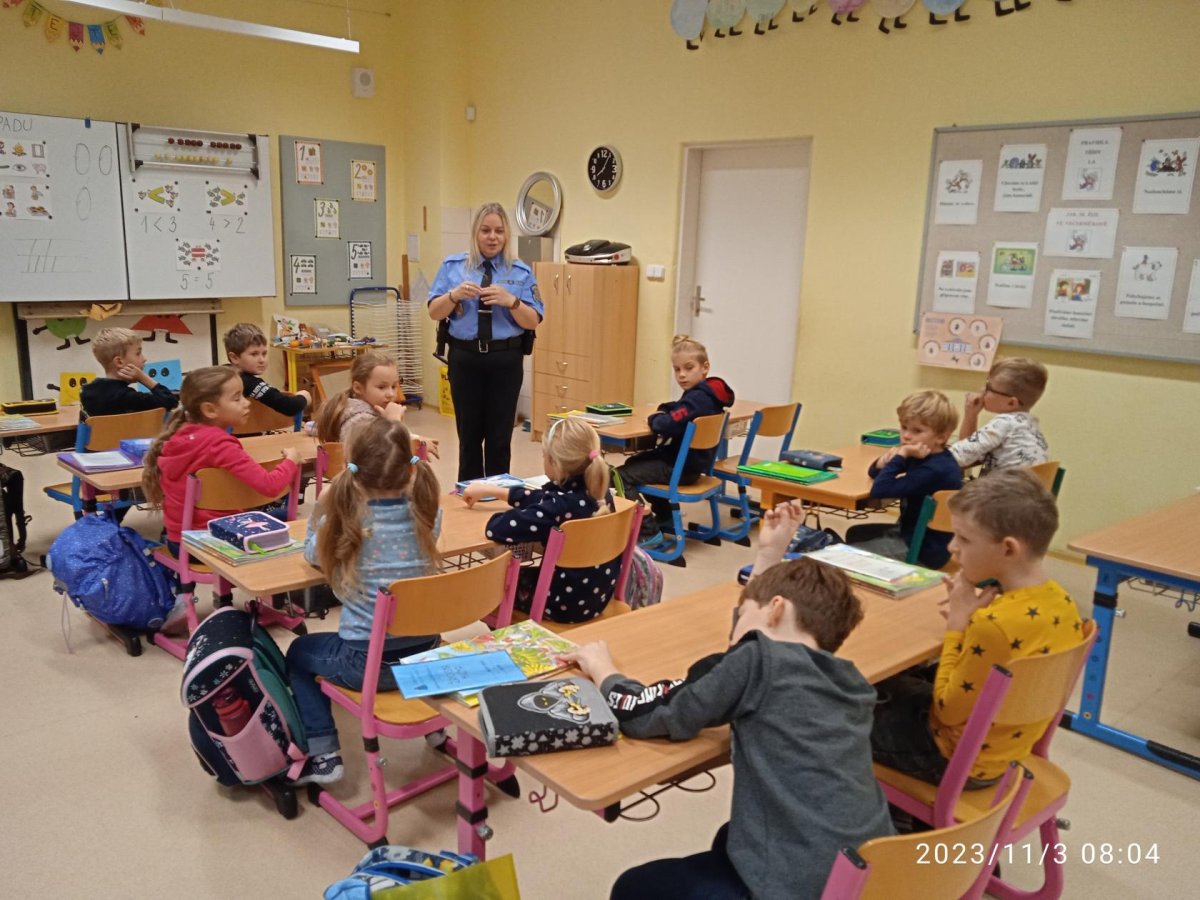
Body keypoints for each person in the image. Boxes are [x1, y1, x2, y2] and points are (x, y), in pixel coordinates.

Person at [564, 501, 893, 900]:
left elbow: (648, 715)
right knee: (728, 837)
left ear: (775, 609)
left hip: (798, 887)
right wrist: (769, 555)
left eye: (744, 611)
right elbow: (748, 643)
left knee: (634, 887)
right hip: (874, 874)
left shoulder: (757, 662)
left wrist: (602, 668)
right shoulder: (848, 680)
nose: (736, 625)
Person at [870, 469, 1083, 787]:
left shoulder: (993, 625)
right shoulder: (1063, 603)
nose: (952, 547)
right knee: (889, 683)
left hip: (953, 758)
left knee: (841, 709)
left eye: (964, 539)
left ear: (1008, 549)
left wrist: (958, 626)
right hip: (1005, 749)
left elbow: (946, 710)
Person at [285, 418, 441, 785]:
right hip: (428, 655)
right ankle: (437, 732)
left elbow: (311, 554)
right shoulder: (429, 515)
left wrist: (320, 511)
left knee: (297, 653)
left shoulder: (345, 524)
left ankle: (324, 753)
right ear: (410, 471)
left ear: (353, 474)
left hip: (366, 663)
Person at [427, 202, 543, 483]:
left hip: (505, 361)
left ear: (506, 235)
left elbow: (533, 320)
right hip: (465, 359)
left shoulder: (520, 272)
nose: (493, 237)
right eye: (486, 230)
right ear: (475, 233)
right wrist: (453, 295)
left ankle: (498, 495)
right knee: (468, 438)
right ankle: (468, 495)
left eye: (499, 231)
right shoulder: (453, 267)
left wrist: (511, 301)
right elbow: (434, 312)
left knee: (499, 439)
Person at [463, 416, 618, 624]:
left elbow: (497, 528)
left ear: (555, 463)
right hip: (596, 598)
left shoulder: (558, 506)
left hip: (560, 605)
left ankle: (509, 638)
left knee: (492, 582)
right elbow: (543, 499)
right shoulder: (599, 493)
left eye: (544, 455)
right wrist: (495, 491)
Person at [141, 366, 302, 554]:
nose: (247, 403)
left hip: (179, 541)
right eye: (237, 398)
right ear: (209, 409)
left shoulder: (178, 435)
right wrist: (291, 461)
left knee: (279, 515)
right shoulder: (220, 445)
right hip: (212, 542)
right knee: (292, 518)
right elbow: (270, 486)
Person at [615, 335, 734, 548]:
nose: (682, 375)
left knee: (620, 476)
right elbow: (681, 408)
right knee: (634, 463)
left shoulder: (697, 399)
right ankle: (665, 518)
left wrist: (654, 418)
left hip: (680, 468)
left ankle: (648, 532)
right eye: (677, 369)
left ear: (705, 367)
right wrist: (666, 408)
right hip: (693, 465)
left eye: (689, 368)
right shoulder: (708, 395)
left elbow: (667, 425)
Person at [845, 389, 963, 569]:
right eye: (904, 427)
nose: (906, 435)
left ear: (941, 437)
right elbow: (874, 473)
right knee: (856, 532)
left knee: (846, 554)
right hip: (912, 533)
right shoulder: (927, 455)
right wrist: (884, 462)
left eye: (917, 430)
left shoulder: (934, 469)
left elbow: (880, 489)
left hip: (920, 549)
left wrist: (901, 455)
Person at [313, 350, 437, 457]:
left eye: (394, 386)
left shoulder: (375, 410)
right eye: (382, 387)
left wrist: (416, 440)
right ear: (358, 388)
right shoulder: (358, 420)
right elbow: (377, 460)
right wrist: (394, 423)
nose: (391, 394)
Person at [950, 356, 1049, 475]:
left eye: (989, 387)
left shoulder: (1005, 422)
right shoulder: (1030, 426)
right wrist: (971, 414)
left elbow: (958, 456)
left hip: (1001, 487)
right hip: (1024, 486)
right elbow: (969, 455)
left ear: (1011, 403)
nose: (982, 390)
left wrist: (930, 454)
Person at [80, 326, 179, 418]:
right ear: (119, 362)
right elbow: (170, 401)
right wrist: (143, 378)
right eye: (138, 353)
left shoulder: (87, 394)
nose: (144, 359)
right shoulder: (127, 397)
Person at [223, 322, 310, 419]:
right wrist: (304, 397)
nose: (262, 360)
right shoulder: (247, 382)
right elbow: (289, 407)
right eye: (254, 354)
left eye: (264, 354)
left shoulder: (222, 373)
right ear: (234, 358)